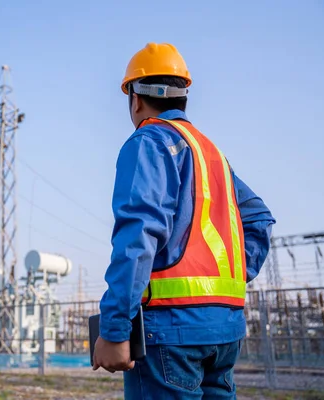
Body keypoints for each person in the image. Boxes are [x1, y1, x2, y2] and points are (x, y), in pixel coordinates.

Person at [92, 42, 276, 399]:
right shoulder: (211, 153)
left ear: (135, 98)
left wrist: (114, 330)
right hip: (224, 329)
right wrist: (229, 278)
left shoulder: (148, 140)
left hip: (169, 332)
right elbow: (259, 219)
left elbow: (139, 233)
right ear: (183, 98)